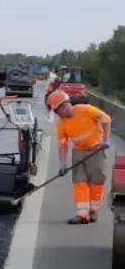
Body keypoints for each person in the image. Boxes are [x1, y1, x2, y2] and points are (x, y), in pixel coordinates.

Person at [46, 89, 112, 223]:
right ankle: (82, 214)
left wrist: (105, 139)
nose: (58, 115)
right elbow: (62, 145)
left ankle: (93, 211)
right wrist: (63, 164)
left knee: (96, 181)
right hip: (79, 152)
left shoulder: (86, 110)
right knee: (79, 182)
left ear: (64, 106)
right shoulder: (62, 124)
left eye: (57, 111)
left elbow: (106, 119)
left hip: (97, 150)